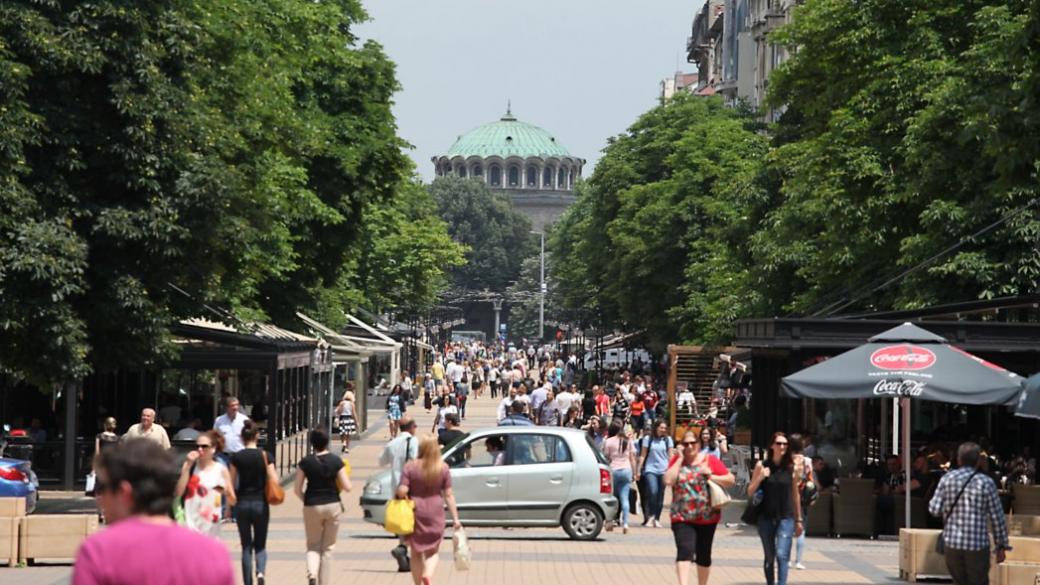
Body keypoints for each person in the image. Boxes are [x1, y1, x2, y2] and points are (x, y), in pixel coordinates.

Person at [73, 438, 234, 585]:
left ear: (124, 492)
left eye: (102, 488)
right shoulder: (213, 553)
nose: (100, 498)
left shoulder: (98, 552)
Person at [928, 442, 1009, 585]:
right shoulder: (986, 483)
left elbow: (934, 509)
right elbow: (997, 517)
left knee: (959, 581)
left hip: (952, 544)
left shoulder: (947, 479)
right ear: (979, 461)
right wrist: (1001, 545)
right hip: (977, 545)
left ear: (958, 459)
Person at [666, 430, 735, 585]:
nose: (689, 446)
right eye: (685, 443)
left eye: (692, 443)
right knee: (685, 551)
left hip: (707, 517)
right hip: (682, 516)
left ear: (698, 444)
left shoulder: (710, 460)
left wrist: (711, 476)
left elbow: (731, 480)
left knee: (704, 555)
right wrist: (679, 459)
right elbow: (668, 480)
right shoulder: (678, 461)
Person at [395, 435, 462, 585]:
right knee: (433, 551)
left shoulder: (410, 466)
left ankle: (418, 583)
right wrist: (456, 518)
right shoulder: (442, 467)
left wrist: (401, 492)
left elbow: (402, 490)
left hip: (415, 511)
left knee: (416, 552)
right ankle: (427, 574)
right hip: (435, 511)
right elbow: (449, 495)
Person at [295, 429, 350, 585]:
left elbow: (297, 489)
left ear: (312, 443)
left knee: (313, 545)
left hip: (312, 504)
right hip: (332, 504)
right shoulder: (336, 461)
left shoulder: (305, 462)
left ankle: (312, 574)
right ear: (327, 442)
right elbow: (347, 486)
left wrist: (305, 499)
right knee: (327, 548)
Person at [748, 432, 802, 585]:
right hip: (766, 518)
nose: (782, 446)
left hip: (786, 517)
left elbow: (795, 494)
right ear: (772, 446)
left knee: (782, 554)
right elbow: (750, 491)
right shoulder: (762, 466)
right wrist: (760, 477)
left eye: (785, 444)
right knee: (770, 557)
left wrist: (798, 520)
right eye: (779, 443)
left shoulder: (791, 468)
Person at [229, 420, 270, 585]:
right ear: (257, 436)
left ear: (242, 437)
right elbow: (273, 478)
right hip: (261, 502)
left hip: (242, 503)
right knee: (260, 544)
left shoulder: (236, 457)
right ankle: (260, 571)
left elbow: (231, 484)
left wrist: (230, 505)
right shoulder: (265, 456)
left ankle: (247, 582)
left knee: (246, 545)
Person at [175, 430, 236, 538]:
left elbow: (232, 500)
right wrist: (188, 465)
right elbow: (179, 492)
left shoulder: (221, 469)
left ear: (213, 448)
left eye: (204, 446)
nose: (200, 449)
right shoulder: (190, 465)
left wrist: (225, 492)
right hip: (190, 523)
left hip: (211, 525)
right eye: (197, 446)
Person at [380, 417, 420, 573]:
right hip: (410, 486)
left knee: (404, 520)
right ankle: (403, 549)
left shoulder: (392, 443)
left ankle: (404, 554)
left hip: (395, 486)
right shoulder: (413, 441)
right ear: (410, 428)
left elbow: (381, 461)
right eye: (415, 425)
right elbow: (415, 461)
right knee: (413, 521)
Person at [637, 420, 675, 528]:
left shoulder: (668, 440)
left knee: (660, 494)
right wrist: (638, 470)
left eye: (665, 428)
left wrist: (672, 471)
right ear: (656, 428)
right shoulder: (648, 439)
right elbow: (642, 455)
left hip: (664, 470)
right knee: (653, 491)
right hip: (650, 469)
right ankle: (650, 517)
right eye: (661, 427)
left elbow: (670, 456)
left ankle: (657, 518)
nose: (663, 430)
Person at [603, 419, 636, 534]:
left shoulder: (609, 441)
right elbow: (632, 457)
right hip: (626, 470)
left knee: (611, 498)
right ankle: (625, 523)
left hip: (613, 470)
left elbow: (606, 457)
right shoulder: (628, 440)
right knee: (624, 498)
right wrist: (635, 473)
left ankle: (610, 521)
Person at [789, 433, 812, 571]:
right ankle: (798, 560)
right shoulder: (806, 461)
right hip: (802, 497)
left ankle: (786, 559)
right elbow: (810, 480)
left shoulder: (786, 461)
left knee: (787, 529)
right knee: (801, 530)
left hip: (787, 497)